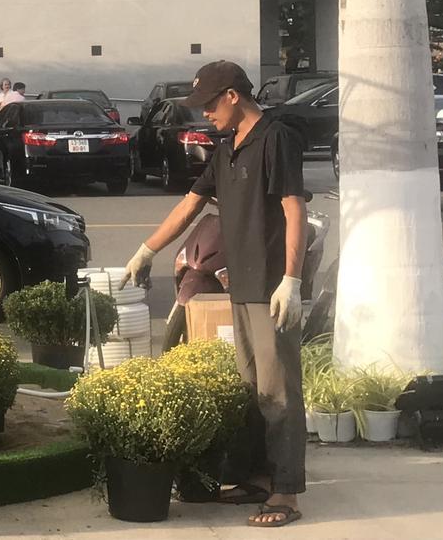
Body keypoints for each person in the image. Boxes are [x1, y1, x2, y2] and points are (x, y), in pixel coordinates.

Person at [123, 61, 307, 529]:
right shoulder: (227, 149)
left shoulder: (275, 139)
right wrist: (147, 250)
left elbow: (294, 210)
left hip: (271, 287)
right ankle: (257, 478)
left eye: (208, 104)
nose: (204, 114)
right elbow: (190, 204)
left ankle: (286, 491)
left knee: (279, 390)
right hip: (241, 285)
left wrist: (292, 280)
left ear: (232, 95)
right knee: (251, 389)